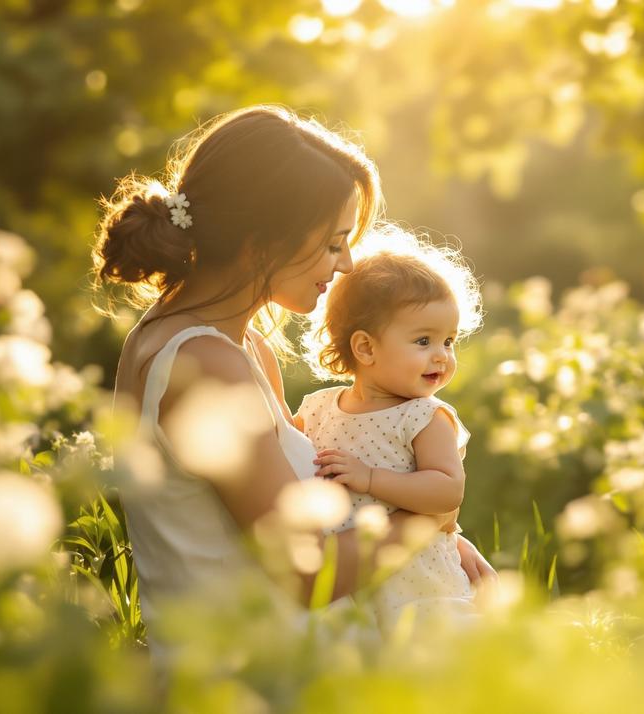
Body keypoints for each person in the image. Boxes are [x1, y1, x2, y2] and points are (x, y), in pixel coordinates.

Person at [91, 105, 496, 664]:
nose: (348, 263)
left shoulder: (236, 345)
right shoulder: (202, 363)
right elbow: (305, 573)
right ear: (264, 241)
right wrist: (423, 522)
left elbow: (310, 504)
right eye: (333, 243)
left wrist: (440, 549)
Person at [296, 241, 483, 632]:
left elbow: (447, 491)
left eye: (449, 341)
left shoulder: (423, 416)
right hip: (352, 581)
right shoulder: (317, 408)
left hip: (421, 585)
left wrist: (371, 479)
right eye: (423, 341)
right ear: (365, 347)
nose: (442, 356)